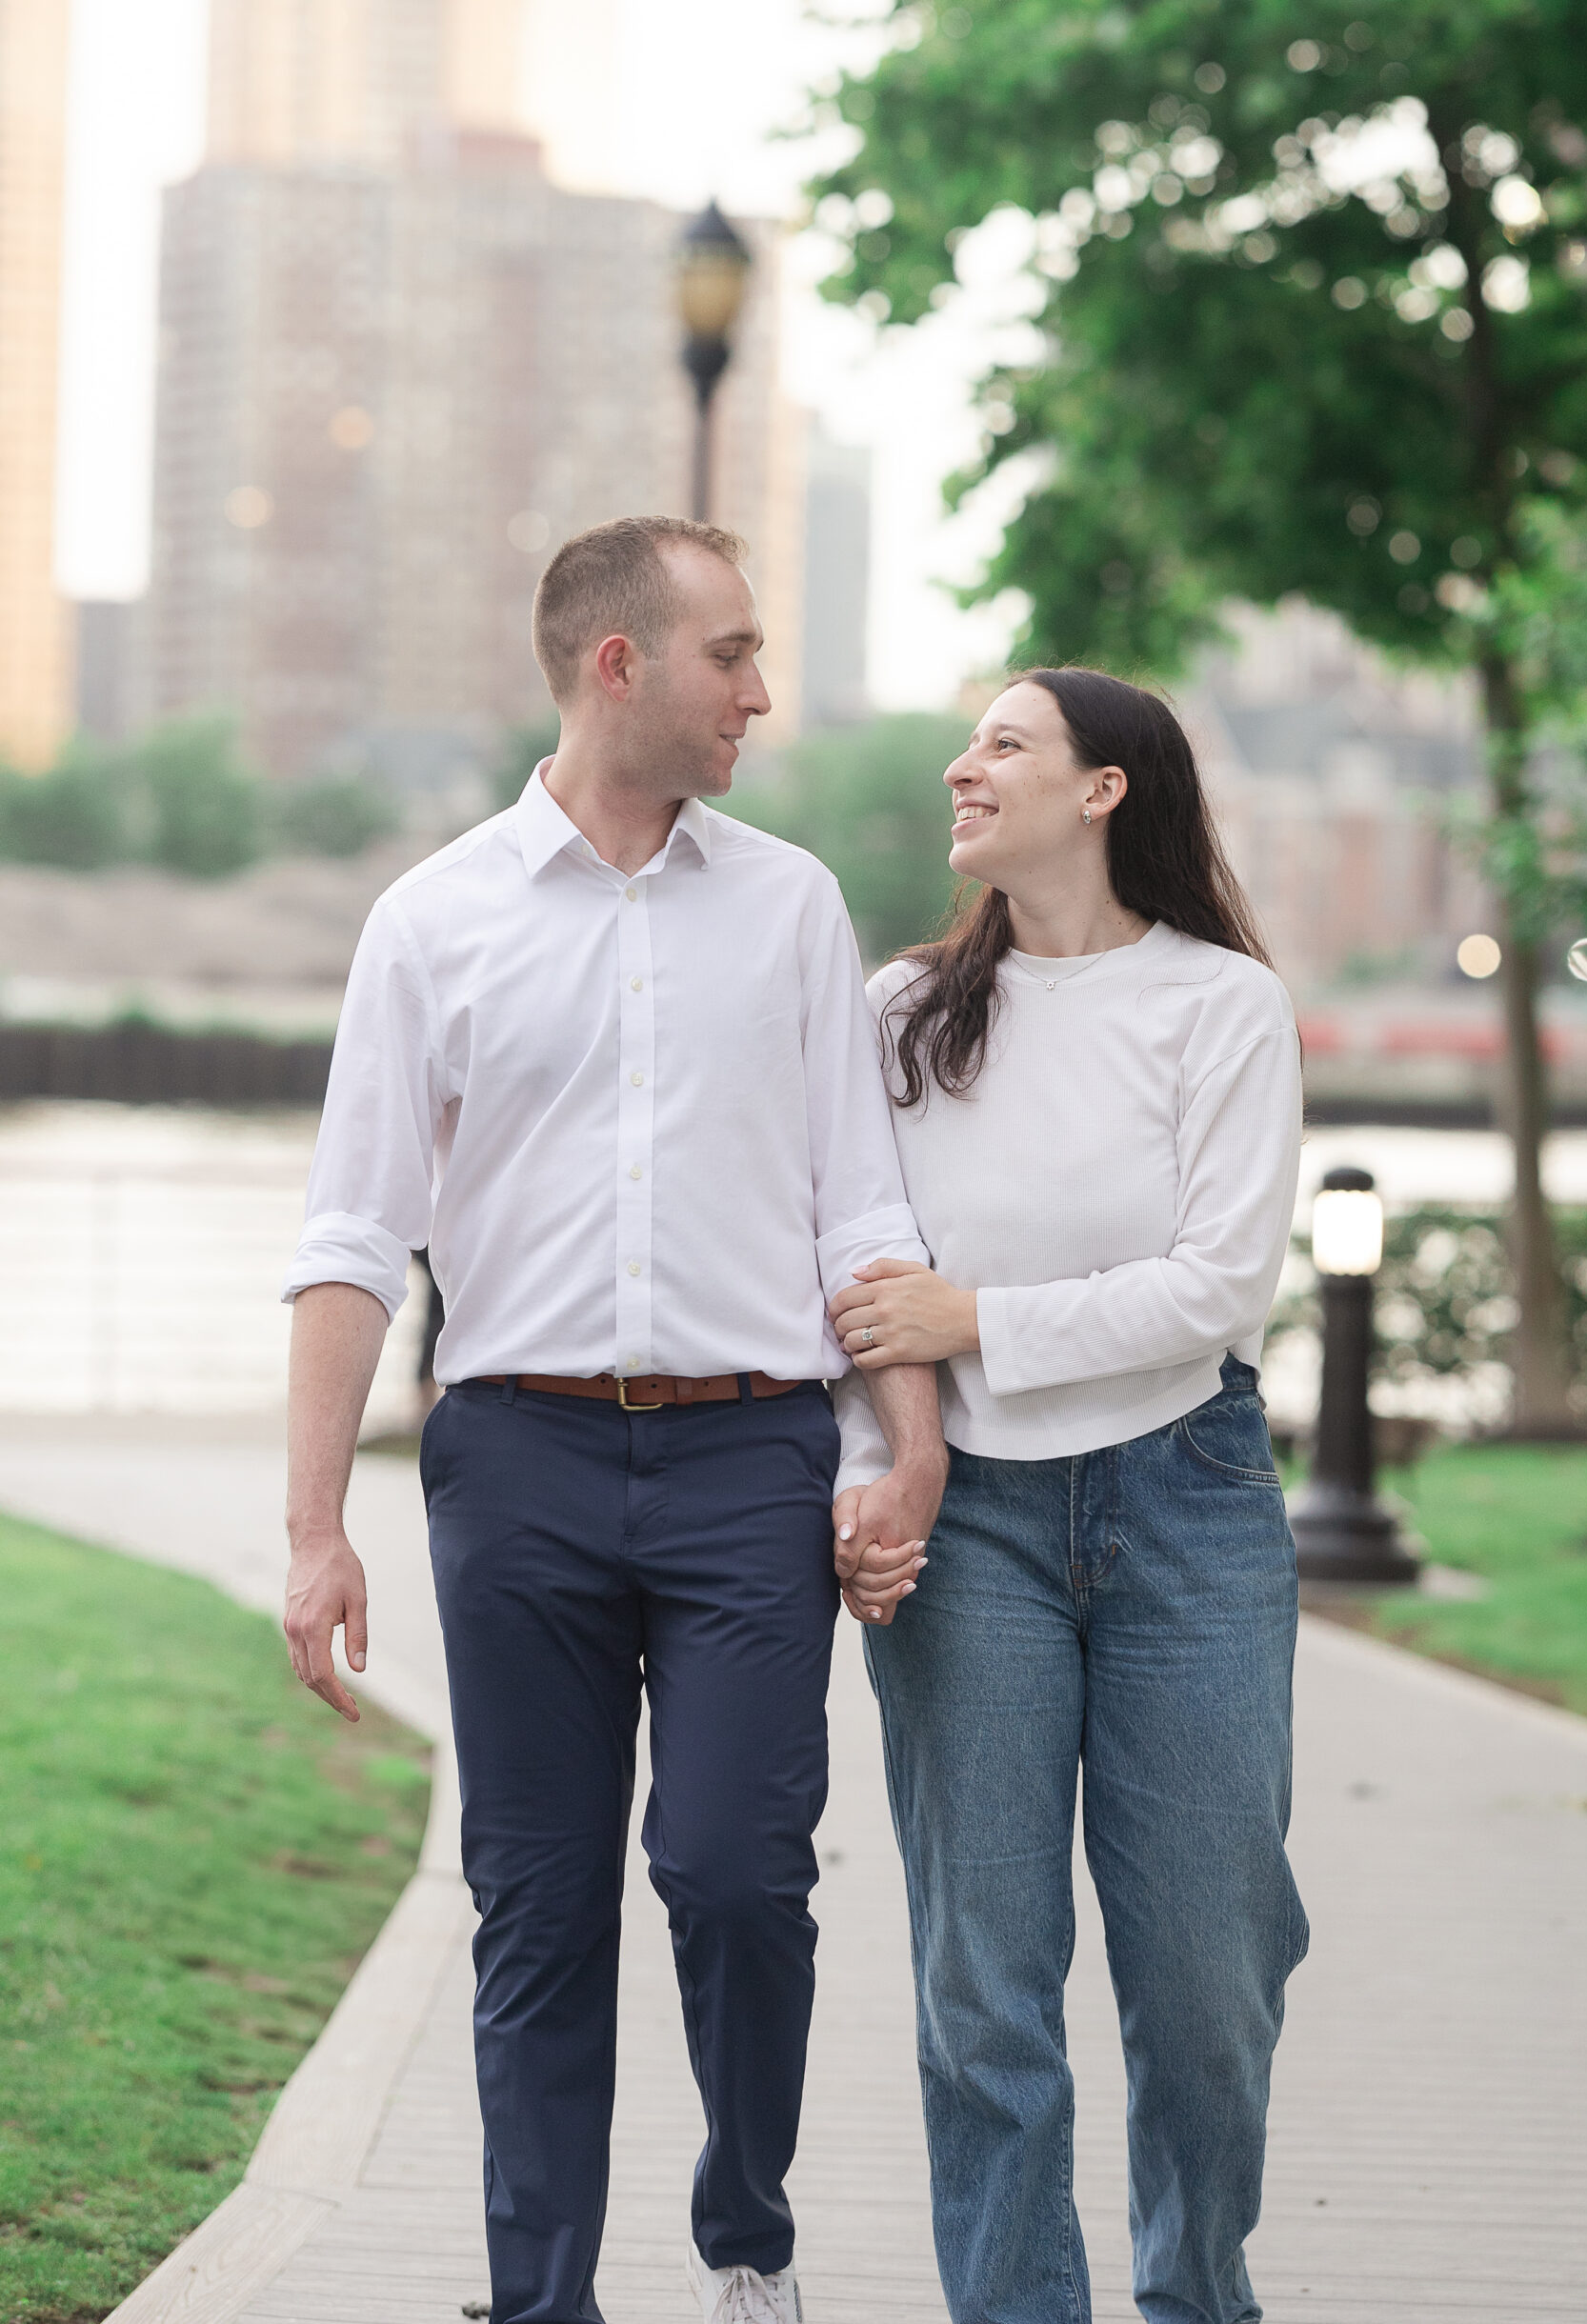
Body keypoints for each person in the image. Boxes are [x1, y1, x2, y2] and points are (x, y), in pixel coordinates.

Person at [278, 515, 946, 2324]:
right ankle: (541, 2299)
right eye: (731, 654)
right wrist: (316, 1529)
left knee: (737, 1878)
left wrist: (910, 1445)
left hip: (749, 1462)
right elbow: (351, 1237)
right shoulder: (431, 922)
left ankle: (748, 2238)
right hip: (519, 1462)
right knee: (538, 1902)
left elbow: (860, 1214)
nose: (759, 692)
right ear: (617, 664)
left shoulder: (790, 906)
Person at [828, 669, 1307, 2324]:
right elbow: (854, 1282)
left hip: (1187, 1502)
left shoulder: (1220, 1006)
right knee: (984, 1988)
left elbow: (1217, 1286)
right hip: (966, 1530)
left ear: (1103, 790)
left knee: (1209, 1977)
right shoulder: (900, 1010)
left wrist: (976, 1322)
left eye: (1004, 744)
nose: (960, 768)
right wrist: (872, 1476)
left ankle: (1197, 2297)